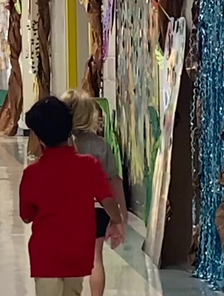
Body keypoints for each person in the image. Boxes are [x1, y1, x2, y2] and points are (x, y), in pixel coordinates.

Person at [20, 96, 124, 296]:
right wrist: (117, 221)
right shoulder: (89, 165)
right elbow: (108, 200)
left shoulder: (32, 174)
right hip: (77, 254)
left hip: (46, 256)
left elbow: (26, 215)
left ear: (39, 138)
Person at [61, 89, 128, 296]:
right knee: (95, 258)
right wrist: (121, 214)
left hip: (68, 210)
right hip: (97, 209)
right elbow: (114, 181)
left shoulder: (61, 146)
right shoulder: (100, 145)